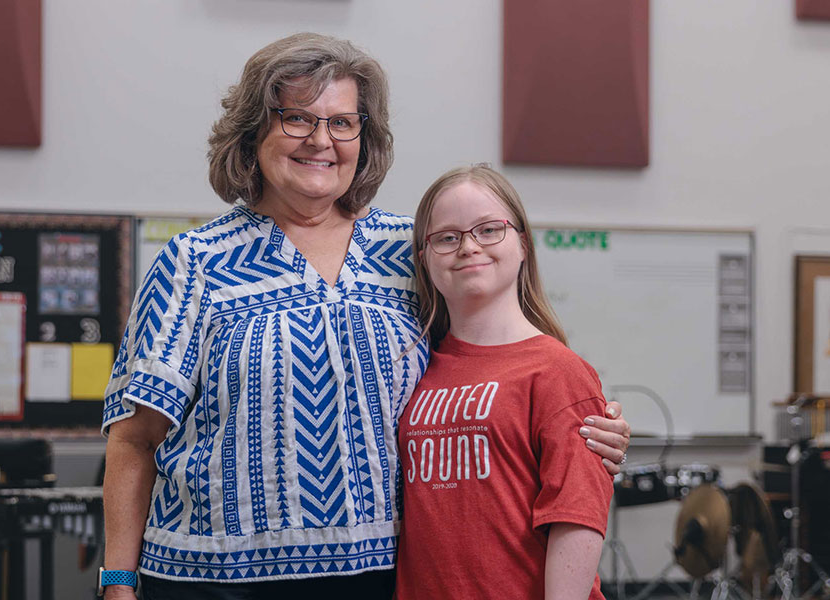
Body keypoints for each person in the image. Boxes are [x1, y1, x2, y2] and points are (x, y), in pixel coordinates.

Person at [100, 33, 629, 600]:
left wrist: (582, 425)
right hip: (211, 582)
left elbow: (492, 358)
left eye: (342, 123)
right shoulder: (194, 262)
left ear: (364, 137)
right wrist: (117, 583)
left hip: (382, 578)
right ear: (254, 131)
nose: (321, 140)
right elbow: (134, 443)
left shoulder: (411, 251)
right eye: (296, 118)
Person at [395, 165, 614, 600]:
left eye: (489, 229)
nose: (469, 247)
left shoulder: (558, 371)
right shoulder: (413, 369)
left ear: (523, 245)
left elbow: (575, 517)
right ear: (425, 257)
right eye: (447, 237)